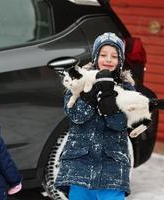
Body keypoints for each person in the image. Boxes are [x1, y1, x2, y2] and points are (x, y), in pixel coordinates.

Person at [54, 32, 135, 200]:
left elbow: (122, 123)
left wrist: (109, 103)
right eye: (103, 54)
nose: (108, 59)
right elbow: (76, 116)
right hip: (79, 163)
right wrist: (90, 96)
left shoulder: (126, 89)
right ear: (95, 56)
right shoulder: (79, 83)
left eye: (114, 56)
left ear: (120, 60)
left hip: (112, 166)